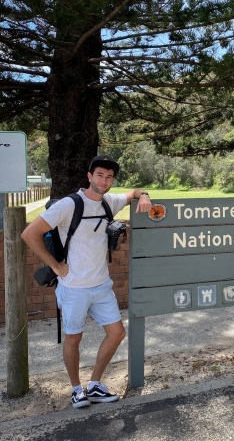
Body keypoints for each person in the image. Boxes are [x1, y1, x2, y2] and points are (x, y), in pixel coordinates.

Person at [21, 155, 152, 409]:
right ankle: (76, 389)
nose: (104, 181)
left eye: (109, 177)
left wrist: (144, 195)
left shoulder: (108, 203)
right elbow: (29, 234)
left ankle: (94, 384)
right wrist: (57, 267)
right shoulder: (69, 205)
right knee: (74, 338)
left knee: (116, 333)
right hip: (73, 287)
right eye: (100, 175)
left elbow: (134, 192)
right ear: (89, 176)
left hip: (102, 285)